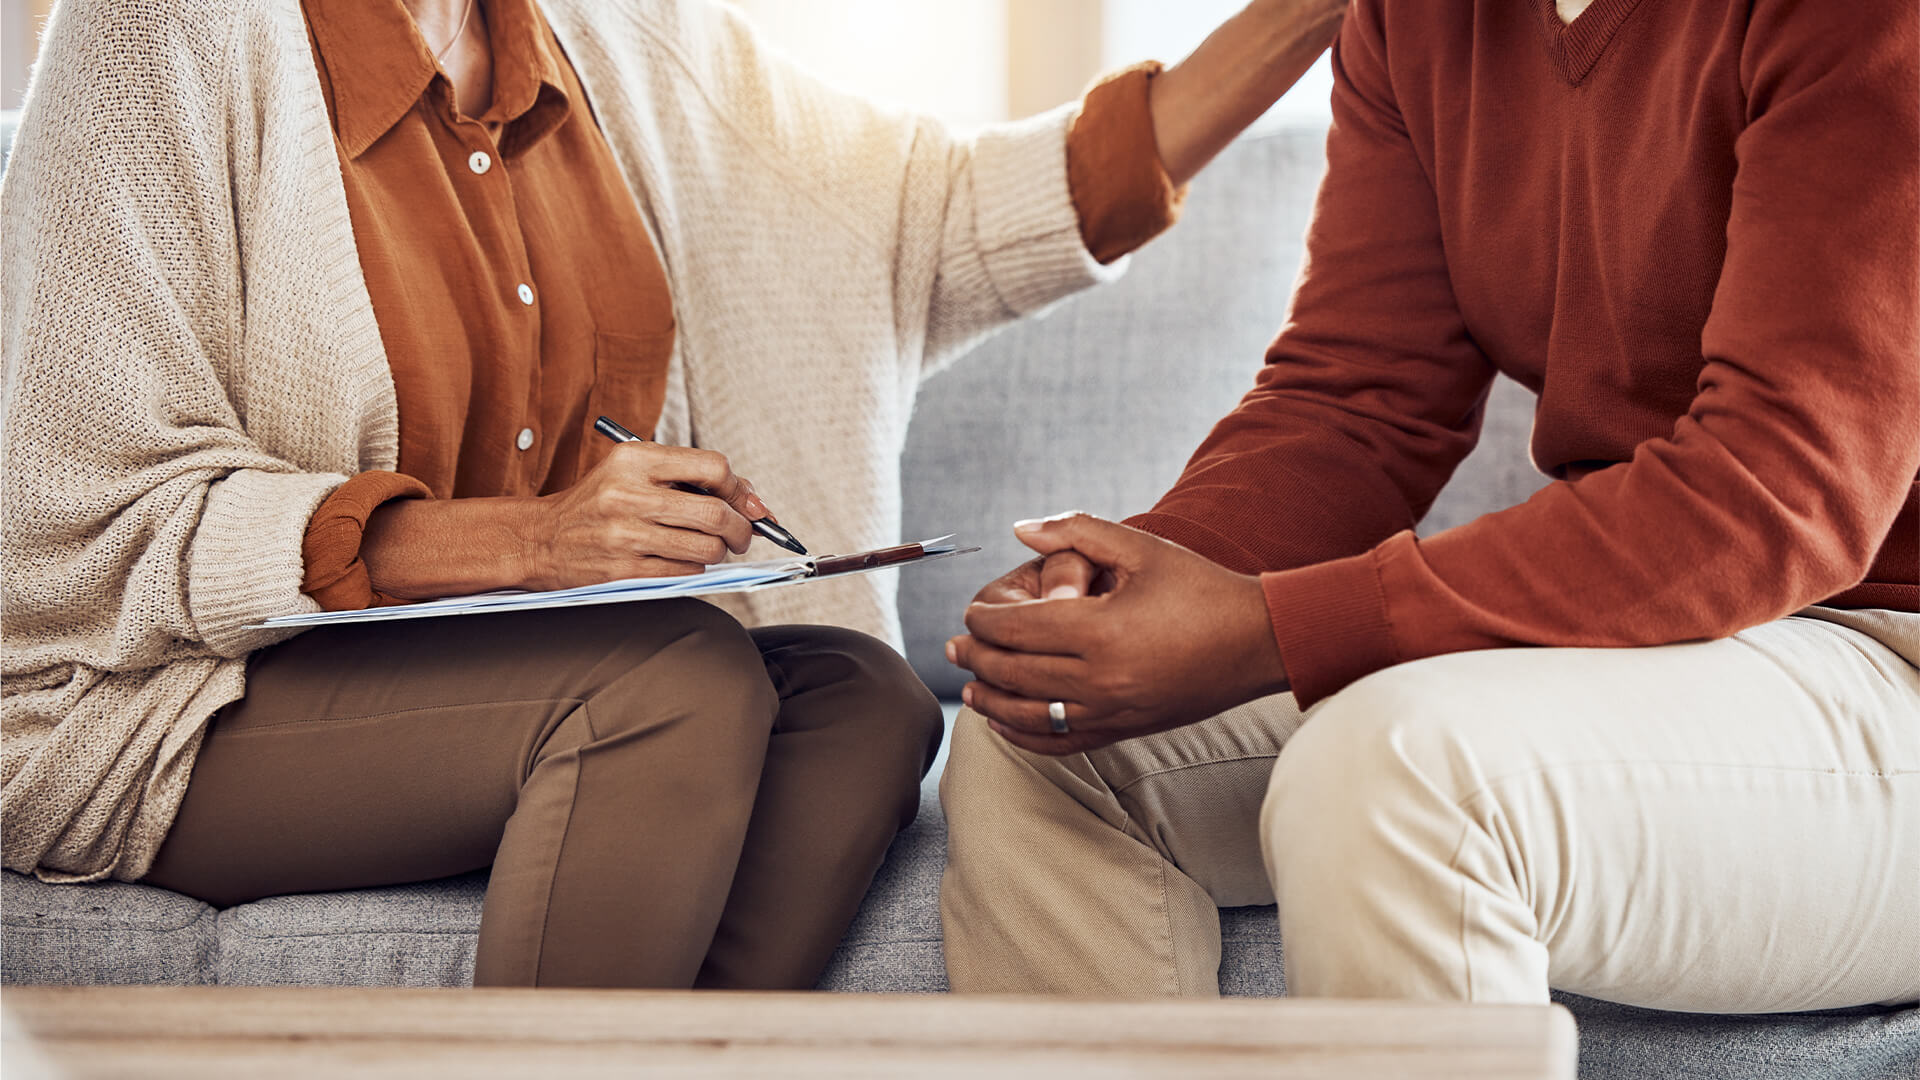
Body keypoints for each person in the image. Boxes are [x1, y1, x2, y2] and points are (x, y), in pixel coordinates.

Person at [0, 0, 1345, 988]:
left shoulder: (618, 43)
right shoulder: (158, 33)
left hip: (509, 685)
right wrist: (537, 542)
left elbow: (958, 213)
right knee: (673, 682)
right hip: (163, 699)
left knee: (857, 699)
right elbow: (83, 513)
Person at [941, 0, 1920, 1011]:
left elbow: (1778, 490)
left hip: (1891, 652)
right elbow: (1359, 401)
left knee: (1392, 777)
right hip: (1661, 641)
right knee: (1043, 728)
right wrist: (1123, 589)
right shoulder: (1417, 18)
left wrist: (1265, 629)